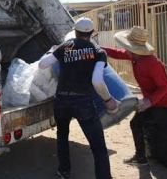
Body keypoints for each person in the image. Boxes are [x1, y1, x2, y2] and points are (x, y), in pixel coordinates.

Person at [102, 26, 167, 179]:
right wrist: (99, 49)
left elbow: (165, 86)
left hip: (163, 104)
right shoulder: (135, 56)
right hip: (149, 102)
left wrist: (150, 101)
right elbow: (117, 53)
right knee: (135, 124)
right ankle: (141, 158)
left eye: (127, 47)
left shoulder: (152, 63)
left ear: (135, 48)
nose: (125, 49)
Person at [39, 17, 119, 179]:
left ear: (75, 32)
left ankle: (64, 171)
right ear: (91, 33)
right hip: (83, 103)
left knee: (62, 136)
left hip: (61, 101)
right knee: (98, 146)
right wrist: (108, 100)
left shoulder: (64, 47)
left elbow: (42, 65)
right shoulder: (97, 52)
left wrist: (52, 51)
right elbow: (97, 81)